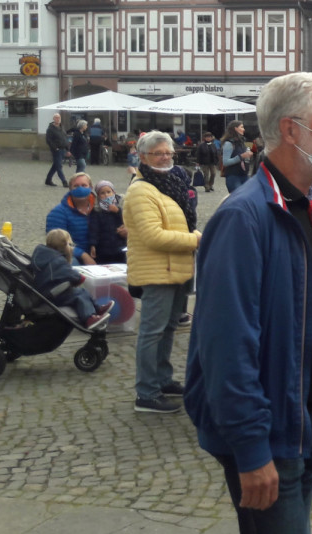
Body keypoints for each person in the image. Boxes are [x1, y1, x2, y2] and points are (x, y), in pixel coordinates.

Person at [185, 72, 312, 532]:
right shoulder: (243, 218)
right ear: (290, 130)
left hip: (310, 420)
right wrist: (250, 448)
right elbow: (226, 345)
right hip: (268, 433)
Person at [125, 132, 201, 414]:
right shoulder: (140, 190)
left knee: (168, 327)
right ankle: (146, 393)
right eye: (158, 153)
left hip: (177, 267)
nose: (165, 157)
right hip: (156, 270)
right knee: (152, 332)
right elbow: (153, 235)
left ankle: (162, 379)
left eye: (168, 152)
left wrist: (192, 236)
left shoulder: (171, 182)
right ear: (143, 157)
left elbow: (180, 223)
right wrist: (196, 240)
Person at [33, 229, 113, 329]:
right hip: (53, 294)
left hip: (47, 290)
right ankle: (89, 318)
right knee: (79, 296)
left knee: (81, 292)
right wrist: (79, 277)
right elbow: (72, 275)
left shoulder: (44, 256)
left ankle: (97, 308)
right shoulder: (58, 261)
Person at [46, 173, 95, 265]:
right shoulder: (58, 213)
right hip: (71, 255)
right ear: (70, 189)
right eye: (76, 186)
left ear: (91, 187)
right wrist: (83, 255)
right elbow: (57, 243)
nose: (80, 189)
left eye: (84, 185)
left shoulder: (99, 208)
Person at [88, 180, 127, 264]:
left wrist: (118, 212)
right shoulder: (97, 211)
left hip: (119, 247)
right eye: (102, 193)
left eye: (109, 192)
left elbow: (127, 221)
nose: (106, 195)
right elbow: (94, 229)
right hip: (103, 249)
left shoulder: (120, 206)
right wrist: (93, 244)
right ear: (98, 196)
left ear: (114, 193)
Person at [221, 121, 253, 193]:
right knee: (238, 196)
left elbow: (247, 156)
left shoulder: (243, 141)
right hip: (233, 176)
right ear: (235, 128)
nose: (244, 129)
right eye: (242, 127)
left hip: (245, 175)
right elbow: (225, 162)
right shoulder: (229, 143)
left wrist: (249, 155)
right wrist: (241, 156)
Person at [45, 113, 69, 187]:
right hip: (56, 150)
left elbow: (65, 138)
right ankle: (64, 181)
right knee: (59, 166)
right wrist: (55, 148)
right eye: (56, 118)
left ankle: (48, 180)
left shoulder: (62, 128)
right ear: (53, 119)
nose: (57, 119)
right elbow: (48, 140)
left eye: (59, 118)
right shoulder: (50, 129)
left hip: (63, 149)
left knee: (55, 166)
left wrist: (68, 149)